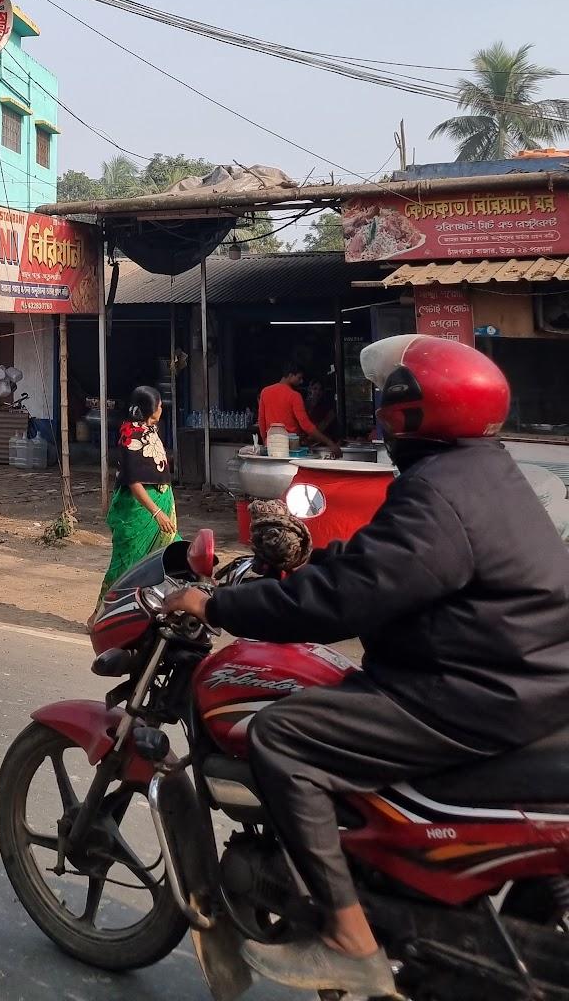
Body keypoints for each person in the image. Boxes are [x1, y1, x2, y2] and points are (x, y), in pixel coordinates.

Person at [158, 335, 569, 997]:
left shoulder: (439, 493)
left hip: (468, 692)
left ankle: (351, 940)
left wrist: (220, 605)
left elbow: (344, 603)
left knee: (282, 736)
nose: (381, 407)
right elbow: (391, 567)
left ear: (414, 412)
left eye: (390, 396)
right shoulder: (482, 471)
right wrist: (312, 560)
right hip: (526, 680)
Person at [94, 385, 177, 615]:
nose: (162, 408)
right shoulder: (131, 436)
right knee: (125, 565)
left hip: (161, 504)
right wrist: (156, 512)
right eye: (159, 404)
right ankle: (98, 615)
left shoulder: (150, 428)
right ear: (150, 409)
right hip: (140, 510)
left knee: (167, 558)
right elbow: (133, 481)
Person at [258, 364, 341, 456]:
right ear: (290, 375)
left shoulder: (265, 392)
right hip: (289, 447)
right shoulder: (294, 396)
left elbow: (261, 421)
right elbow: (306, 426)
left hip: (271, 445)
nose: (301, 381)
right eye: (299, 378)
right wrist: (330, 443)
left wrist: (265, 441)